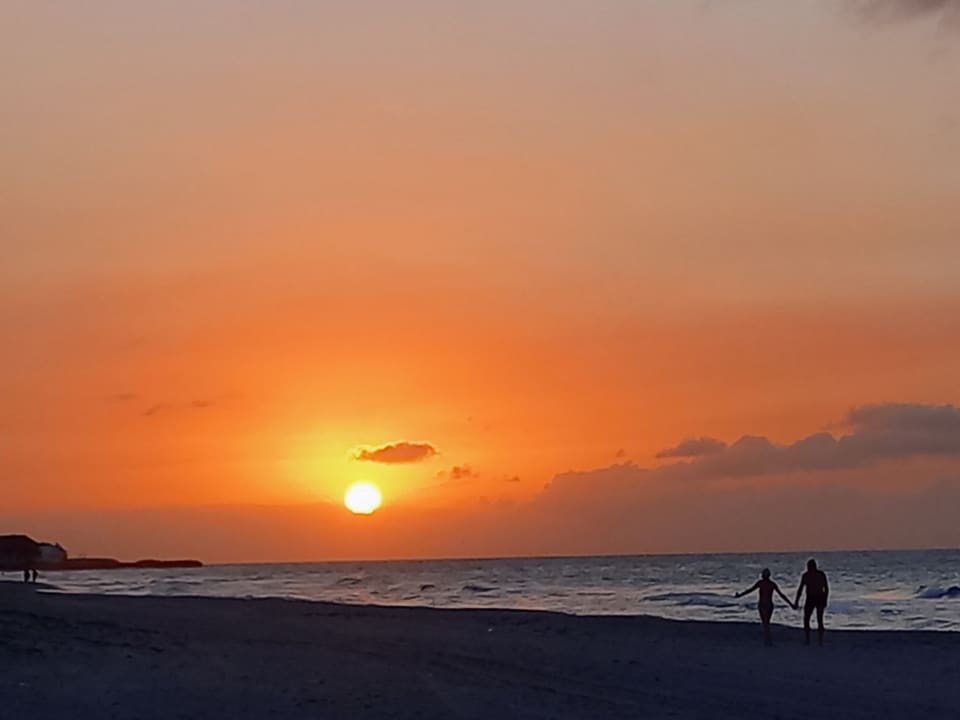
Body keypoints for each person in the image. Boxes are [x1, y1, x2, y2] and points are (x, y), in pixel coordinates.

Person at [735, 568, 794, 646]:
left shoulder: (761, 583)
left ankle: (767, 640)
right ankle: (767, 639)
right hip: (769, 605)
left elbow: (750, 590)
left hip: (763, 605)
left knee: (765, 623)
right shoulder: (772, 584)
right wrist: (790, 604)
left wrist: (740, 595)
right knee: (766, 623)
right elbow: (781, 595)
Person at [794, 558, 829, 646]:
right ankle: (808, 639)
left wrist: (825, 599)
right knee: (807, 619)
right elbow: (800, 589)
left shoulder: (819, 574)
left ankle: (819, 640)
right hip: (812, 598)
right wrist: (796, 601)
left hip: (818, 597)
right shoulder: (807, 575)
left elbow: (826, 588)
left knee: (819, 619)